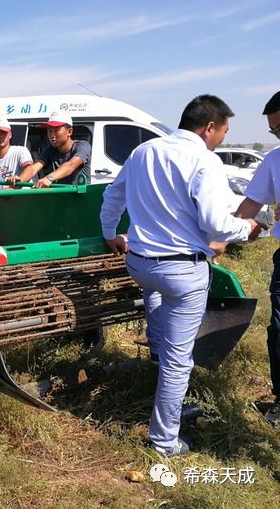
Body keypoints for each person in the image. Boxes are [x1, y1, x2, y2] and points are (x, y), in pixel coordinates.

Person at [100, 94, 261, 457]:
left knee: (157, 311)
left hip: (139, 264)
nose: (223, 137)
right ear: (209, 127)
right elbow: (215, 223)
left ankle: (159, 385)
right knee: (178, 359)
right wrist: (247, 227)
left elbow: (113, 197)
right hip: (180, 272)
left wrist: (110, 233)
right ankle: (165, 439)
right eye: (224, 130)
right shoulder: (205, 160)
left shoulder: (144, 152)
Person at [234, 90, 280, 425]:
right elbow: (250, 207)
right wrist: (223, 235)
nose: (278, 137)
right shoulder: (275, 161)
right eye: (274, 132)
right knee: (278, 328)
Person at [23, 110, 91, 188]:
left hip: (79, 198)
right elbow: (34, 168)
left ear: (69, 132)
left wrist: (49, 178)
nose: (52, 135)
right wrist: (18, 180)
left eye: (56, 131)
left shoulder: (82, 146)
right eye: (49, 131)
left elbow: (71, 165)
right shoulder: (50, 150)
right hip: (59, 197)